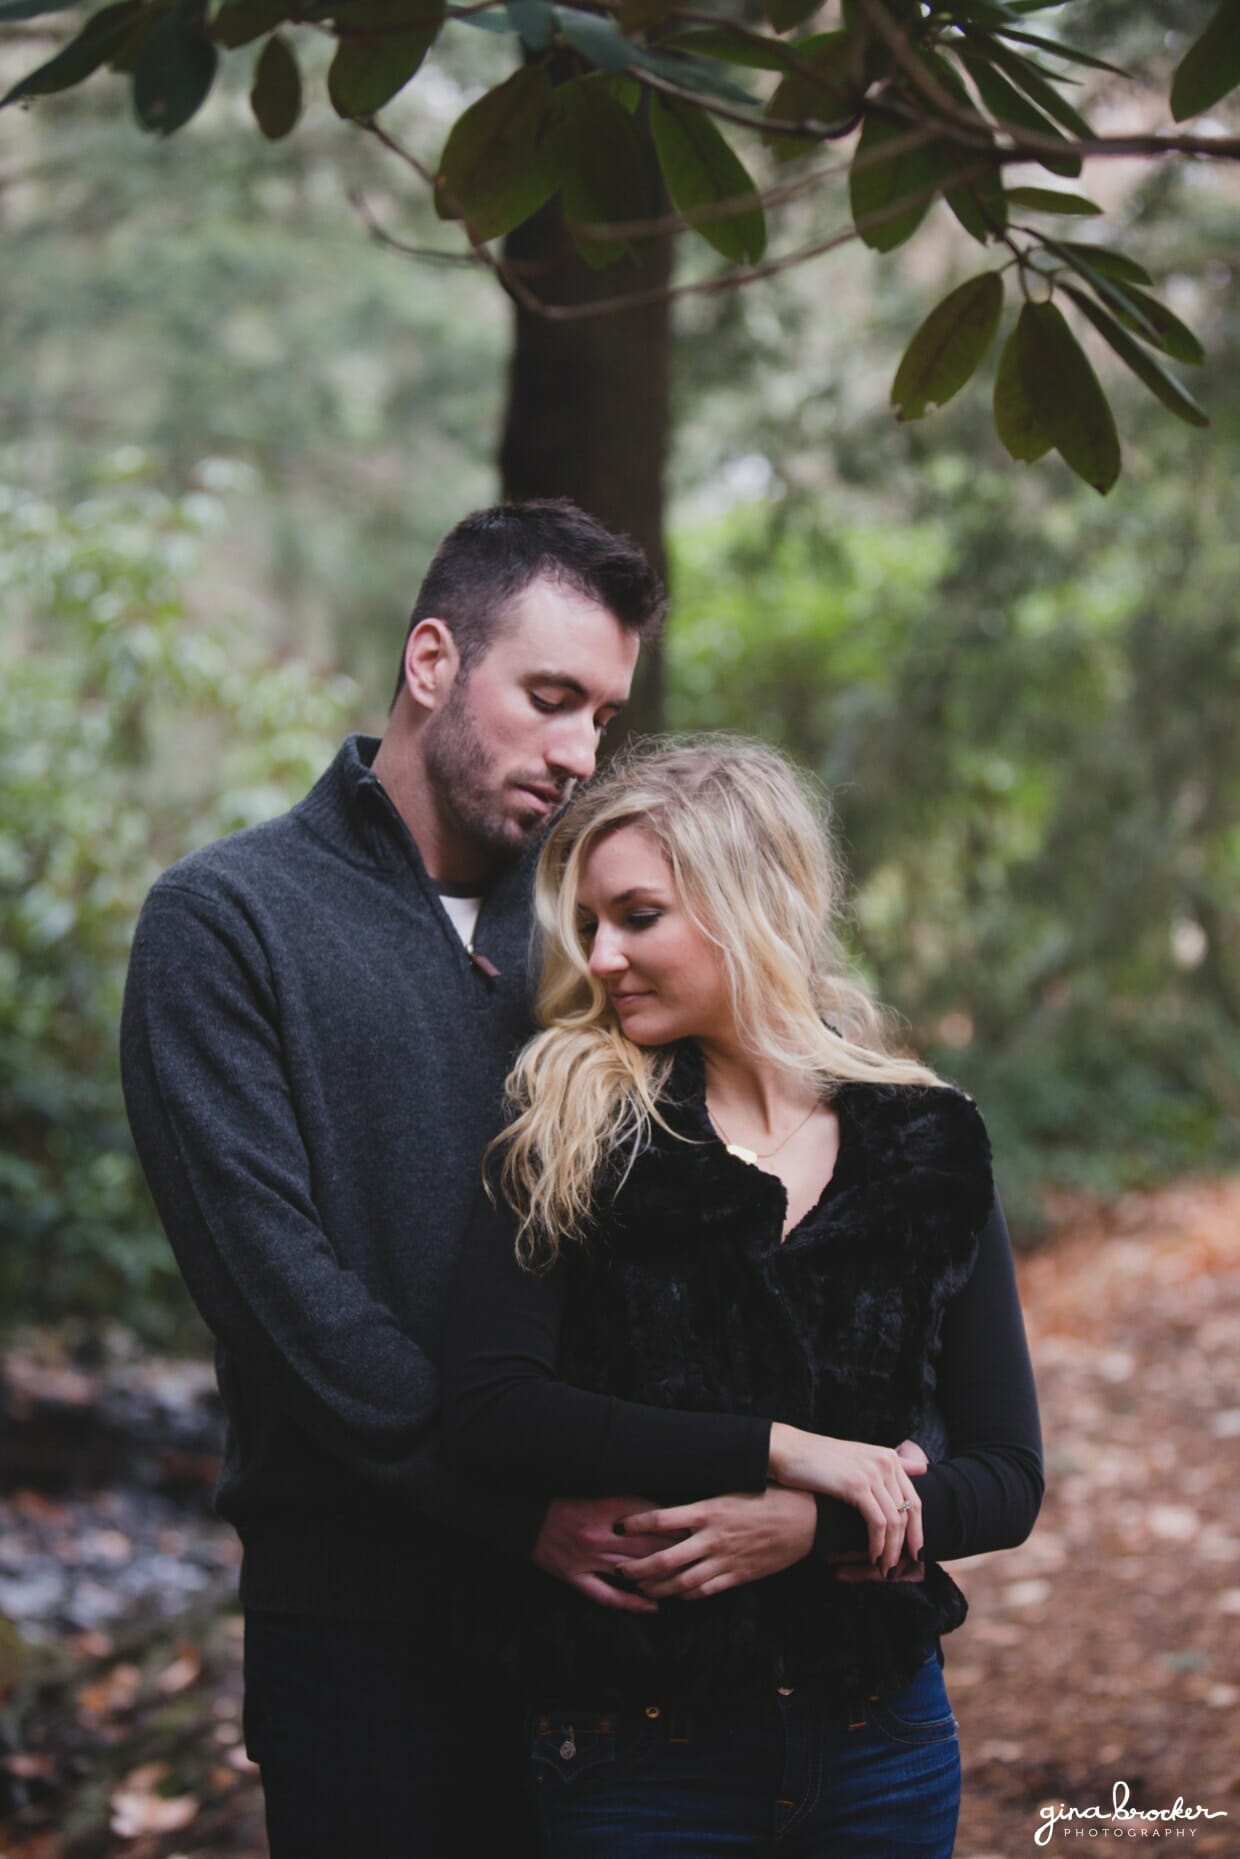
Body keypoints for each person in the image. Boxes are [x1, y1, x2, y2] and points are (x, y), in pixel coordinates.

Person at [118, 500, 672, 1859]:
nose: (578, 752)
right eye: (550, 697)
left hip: (620, 1620)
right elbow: (277, 1292)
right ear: (433, 660)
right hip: (362, 1632)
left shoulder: (600, 935)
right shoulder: (227, 919)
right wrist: (515, 1510)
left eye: (603, 716)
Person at [441, 738, 1044, 1858]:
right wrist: (782, 1449)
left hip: (883, 1743)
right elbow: (492, 1406)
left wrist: (806, 1528)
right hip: (637, 1753)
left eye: (637, 916)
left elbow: (1007, 1477)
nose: (600, 956)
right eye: (590, 924)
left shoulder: (931, 1140)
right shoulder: (569, 1123)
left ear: (749, 904)